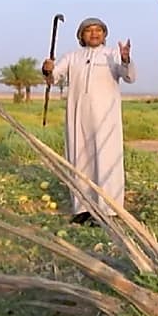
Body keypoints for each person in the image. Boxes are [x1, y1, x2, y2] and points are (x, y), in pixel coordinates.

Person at [41, 17, 135, 226]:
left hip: (106, 119)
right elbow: (53, 78)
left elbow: (129, 76)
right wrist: (47, 69)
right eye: (89, 30)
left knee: (106, 159)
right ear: (81, 36)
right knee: (79, 158)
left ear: (104, 34)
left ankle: (109, 210)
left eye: (98, 30)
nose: (94, 34)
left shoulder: (112, 54)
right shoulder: (72, 56)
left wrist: (126, 59)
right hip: (78, 116)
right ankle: (82, 208)